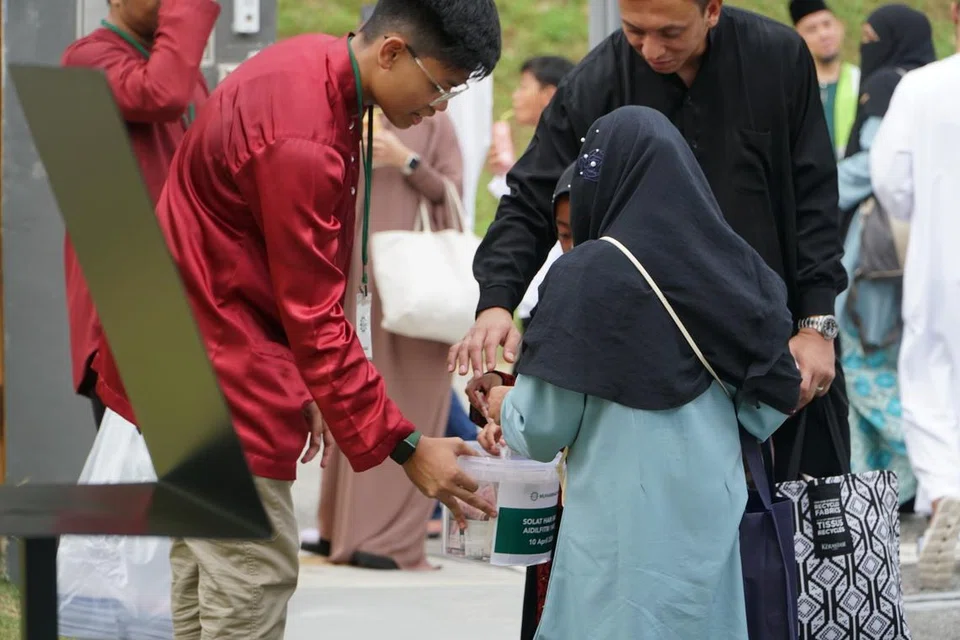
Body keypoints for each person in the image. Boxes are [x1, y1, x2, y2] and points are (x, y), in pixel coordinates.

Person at [89, 0, 502, 636]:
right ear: (392, 51)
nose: (440, 106)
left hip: (192, 350)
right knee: (248, 589)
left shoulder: (310, 65)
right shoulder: (304, 133)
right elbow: (312, 315)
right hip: (218, 369)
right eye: (440, 85)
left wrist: (308, 382)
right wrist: (408, 445)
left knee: (209, 581)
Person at [454, 0, 847, 480]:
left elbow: (815, 195)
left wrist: (816, 324)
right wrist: (497, 299)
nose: (652, 50)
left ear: (713, 10)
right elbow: (531, 195)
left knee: (794, 517)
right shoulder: (600, 79)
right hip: (643, 359)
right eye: (634, 30)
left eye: (670, 32)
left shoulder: (776, 57)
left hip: (777, 343)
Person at [478, 106, 801, 639]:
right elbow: (766, 410)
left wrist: (498, 405)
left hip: (618, 528)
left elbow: (541, 428)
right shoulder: (738, 269)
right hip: (710, 517)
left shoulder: (584, 275)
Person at [318, 108, 465, 571]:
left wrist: (407, 161)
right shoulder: (345, 116)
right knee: (355, 390)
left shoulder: (434, 120)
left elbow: (452, 197)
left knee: (413, 401)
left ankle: (392, 539)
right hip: (358, 280)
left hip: (416, 285)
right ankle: (342, 529)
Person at [61, 0, 219, 429]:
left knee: (184, 484)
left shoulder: (182, 75)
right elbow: (160, 94)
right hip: (127, 320)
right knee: (136, 486)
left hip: (186, 310)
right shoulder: (88, 57)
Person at [870, 1, 960, 590]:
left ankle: (947, 493)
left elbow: (891, 181)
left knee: (931, 375)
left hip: (943, 260)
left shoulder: (923, 88)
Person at [833, 4, 935, 517]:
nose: (865, 44)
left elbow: (872, 166)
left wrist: (812, 187)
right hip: (924, 253)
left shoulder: (888, 86)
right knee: (908, 365)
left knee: (862, 364)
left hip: (875, 258)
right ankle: (883, 490)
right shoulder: (935, 87)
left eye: (874, 36)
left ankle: (931, 468)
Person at [487, 56, 576, 333]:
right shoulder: (540, 150)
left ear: (549, 95)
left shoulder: (568, 152)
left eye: (524, 87)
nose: (515, 97)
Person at [790, 0, 860, 158]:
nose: (823, 34)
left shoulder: (860, 80)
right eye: (811, 29)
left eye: (827, 24)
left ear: (840, 27)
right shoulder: (791, 86)